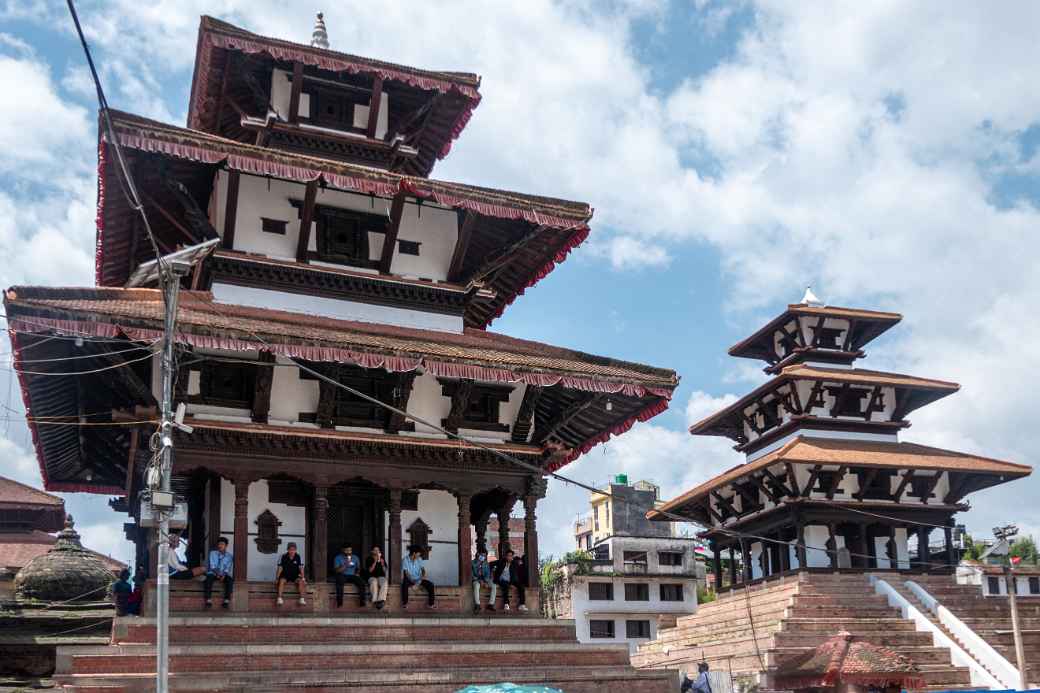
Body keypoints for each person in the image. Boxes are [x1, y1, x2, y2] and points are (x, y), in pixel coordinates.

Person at [203, 536, 234, 608]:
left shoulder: (229, 556)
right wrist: (218, 574)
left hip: (223, 574)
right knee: (208, 579)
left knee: (230, 580)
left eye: (222, 544)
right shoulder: (213, 553)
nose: (220, 546)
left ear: (226, 545)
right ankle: (208, 600)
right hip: (213, 573)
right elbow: (212, 566)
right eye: (219, 544)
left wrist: (223, 575)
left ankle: (226, 601)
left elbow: (227, 568)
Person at [401, 545, 435, 609]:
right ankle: (405, 603)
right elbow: (406, 573)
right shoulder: (405, 560)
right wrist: (413, 581)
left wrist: (423, 576)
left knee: (431, 585)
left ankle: (431, 604)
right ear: (414, 553)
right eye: (418, 553)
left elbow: (423, 570)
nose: (419, 555)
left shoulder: (419, 559)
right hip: (409, 579)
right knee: (404, 584)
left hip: (418, 579)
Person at [333, 543, 366, 608]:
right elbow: (337, 571)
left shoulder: (355, 557)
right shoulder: (338, 558)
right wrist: (346, 564)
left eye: (350, 550)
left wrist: (357, 573)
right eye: (347, 550)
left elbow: (358, 568)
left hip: (352, 575)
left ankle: (362, 602)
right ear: (342, 550)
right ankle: (339, 602)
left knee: (362, 582)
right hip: (342, 575)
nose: (349, 552)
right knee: (339, 582)